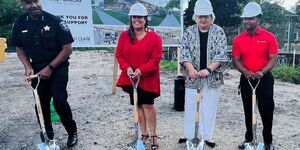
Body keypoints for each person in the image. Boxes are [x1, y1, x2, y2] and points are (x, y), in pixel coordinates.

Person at [12, 0, 78, 147]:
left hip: (58, 66)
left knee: (60, 101)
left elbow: (67, 48)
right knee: (40, 103)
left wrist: (50, 67)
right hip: (36, 68)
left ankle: (72, 132)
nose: (34, 5)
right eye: (29, 3)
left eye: (36, 1)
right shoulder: (20, 23)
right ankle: (48, 135)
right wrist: (27, 66)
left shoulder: (54, 21)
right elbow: (20, 49)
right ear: (22, 4)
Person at [178, 0, 229, 148]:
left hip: (212, 76)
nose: (203, 19)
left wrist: (208, 69)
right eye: (200, 16)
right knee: (190, 105)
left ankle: (207, 135)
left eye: (206, 16)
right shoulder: (189, 31)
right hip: (193, 75)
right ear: (195, 17)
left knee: (209, 106)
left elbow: (221, 54)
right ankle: (189, 135)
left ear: (211, 16)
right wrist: (190, 69)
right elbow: (185, 51)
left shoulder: (219, 31)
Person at [115, 3, 162, 149]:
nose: (137, 20)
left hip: (148, 77)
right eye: (134, 17)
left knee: (148, 105)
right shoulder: (124, 36)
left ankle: (153, 135)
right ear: (131, 18)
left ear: (145, 19)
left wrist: (141, 70)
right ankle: (143, 134)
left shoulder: (155, 38)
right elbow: (119, 54)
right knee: (138, 105)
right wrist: (127, 68)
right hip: (131, 78)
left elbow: (155, 59)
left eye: (140, 17)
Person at [232, 2, 278, 150]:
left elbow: (273, 58)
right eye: (245, 18)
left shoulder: (269, 37)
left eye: (251, 18)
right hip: (246, 79)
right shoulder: (238, 39)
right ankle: (249, 138)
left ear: (259, 19)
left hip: (264, 79)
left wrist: (262, 72)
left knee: (266, 110)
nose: (247, 21)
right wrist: (244, 71)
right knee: (248, 110)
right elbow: (236, 60)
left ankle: (267, 140)